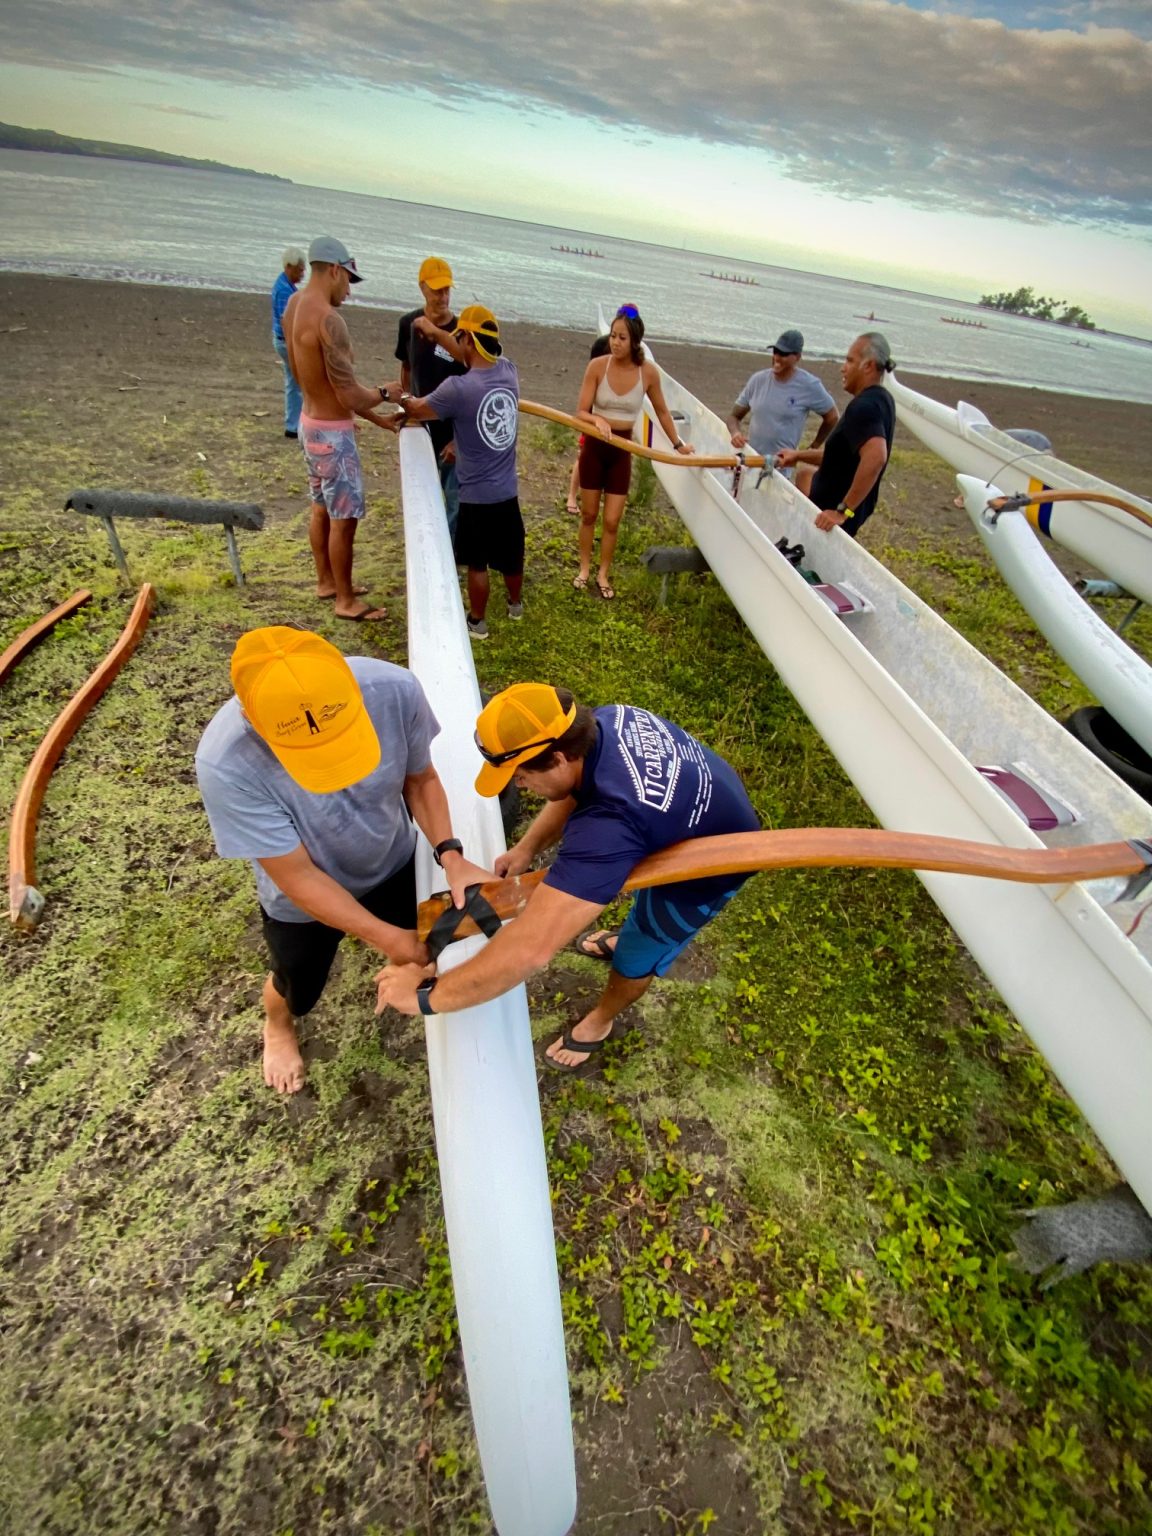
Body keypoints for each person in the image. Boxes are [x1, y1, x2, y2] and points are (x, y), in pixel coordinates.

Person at [374, 683, 760, 1071]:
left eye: (521, 776)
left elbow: (530, 948)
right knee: (630, 903)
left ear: (557, 756)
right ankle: (623, 938)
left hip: (714, 863)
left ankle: (600, 1021)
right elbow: (576, 787)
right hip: (688, 811)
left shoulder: (608, 830)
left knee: (639, 951)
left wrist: (425, 998)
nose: (518, 785)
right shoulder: (602, 720)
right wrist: (527, 848)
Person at [195, 626, 492, 1095]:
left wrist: (450, 854)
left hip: (392, 857)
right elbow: (296, 874)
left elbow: (421, 780)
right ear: (251, 716)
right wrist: (386, 938)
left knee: (424, 950)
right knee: (298, 987)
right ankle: (277, 1025)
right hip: (302, 898)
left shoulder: (393, 690)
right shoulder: (226, 763)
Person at [384, 305, 523, 643]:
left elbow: (417, 407)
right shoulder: (509, 371)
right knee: (510, 555)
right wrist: (437, 334)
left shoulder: (457, 390)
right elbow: (469, 355)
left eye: (460, 337)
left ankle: (477, 622)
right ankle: (516, 605)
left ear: (468, 341)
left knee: (478, 563)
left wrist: (394, 393)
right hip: (508, 490)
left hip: (475, 494)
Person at [573, 304, 693, 600]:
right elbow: (579, 412)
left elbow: (663, 413)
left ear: (635, 341)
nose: (614, 342)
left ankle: (603, 573)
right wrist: (597, 419)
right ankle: (584, 570)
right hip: (594, 448)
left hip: (621, 451)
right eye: (612, 336)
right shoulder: (597, 367)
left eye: (621, 338)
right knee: (589, 515)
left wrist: (678, 445)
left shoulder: (648, 373)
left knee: (612, 521)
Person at [776, 333, 896, 538]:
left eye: (850, 361)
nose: (843, 367)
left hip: (828, 513)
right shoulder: (882, 399)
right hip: (833, 501)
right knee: (805, 473)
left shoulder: (864, 407)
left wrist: (843, 511)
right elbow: (841, 457)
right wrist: (797, 455)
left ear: (868, 366)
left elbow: (876, 458)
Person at [394, 257, 468, 538]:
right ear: (423, 288)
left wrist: (459, 440)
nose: (444, 296)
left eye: (447, 289)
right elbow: (406, 367)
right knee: (423, 495)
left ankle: (447, 552)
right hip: (420, 425)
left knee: (456, 502)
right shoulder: (408, 325)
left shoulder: (461, 333)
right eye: (437, 290)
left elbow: (474, 386)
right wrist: (407, 408)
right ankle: (427, 542)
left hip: (452, 430)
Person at [726, 328, 838, 475]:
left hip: (780, 468)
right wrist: (735, 433)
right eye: (776, 352)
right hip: (751, 461)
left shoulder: (809, 385)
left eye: (784, 354)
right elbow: (733, 417)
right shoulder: (757, 380)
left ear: (797, 357)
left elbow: (832, 417)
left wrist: (815, 445)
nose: (777, 357)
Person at [565, 332, 612, 514]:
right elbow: (583, 409)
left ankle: (597, 495)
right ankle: (571, 495)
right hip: (593, 421)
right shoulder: (595, 376)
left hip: (610, 423)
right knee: (583, 456)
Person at [271, 246, 305, 438]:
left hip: (283, 340)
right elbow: (287, 323)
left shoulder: (284, 285)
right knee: (296, 384)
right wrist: (296, 347)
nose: (302, 274)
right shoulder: (285, 290)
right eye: (300, 270)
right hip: (286, 342)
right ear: (289, 267)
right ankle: (293, 425)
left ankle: (294, 423)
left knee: (293, 382)